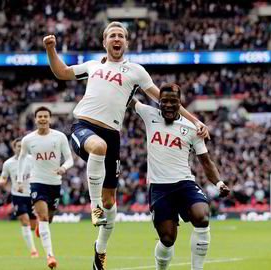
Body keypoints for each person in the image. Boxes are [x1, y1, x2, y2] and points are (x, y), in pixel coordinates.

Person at [43, 21, 209, 270]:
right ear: (105, 42)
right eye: (112, 35)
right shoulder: (92, 66)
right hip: (85, 127)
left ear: (126, 43)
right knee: (98, 149)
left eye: (121, 35)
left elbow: (163, 99)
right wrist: (50, 49)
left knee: (111, 202)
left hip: (113, 136)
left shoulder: (136, 71)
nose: (116, 38)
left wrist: (195, 121)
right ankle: (93, 206)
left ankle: (100, 250)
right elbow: (62, 72)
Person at [128, 83, 230, 270]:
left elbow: (206, 162)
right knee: (167, 239)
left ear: (179, 103)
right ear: (158, 101)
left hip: (185, 184)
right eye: (164, 101)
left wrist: (219, 183)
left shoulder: (192, 128)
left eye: (173, 101)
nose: (168, 105)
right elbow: (127, 97)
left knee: (202, 217)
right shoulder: (148, 114)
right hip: (159, 188)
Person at [17, 106, 74, 269]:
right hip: (37, 182)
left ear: (50, 119)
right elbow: (21, 159)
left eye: (45, 116)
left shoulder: (60, 137)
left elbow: (70, 159)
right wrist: (20, 181)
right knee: (42, 218)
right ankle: (50, 256)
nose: (42, 119)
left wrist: (64, 168)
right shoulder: (28, 140)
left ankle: (41, 230)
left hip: (55, 183)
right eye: (39, 116)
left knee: (48, 219)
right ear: (35, 119)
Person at [0, 138, 38, 258]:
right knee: (24, 220)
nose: (20, 148)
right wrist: (2, 181)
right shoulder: (8, 163)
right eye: (18, 146)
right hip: (17, 196)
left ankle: (37, 227)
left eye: (22, 146)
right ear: (14, 148)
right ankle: (33, 251)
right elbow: (3, 177)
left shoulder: (32, 159)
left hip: (31, 195)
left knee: (32, 225)